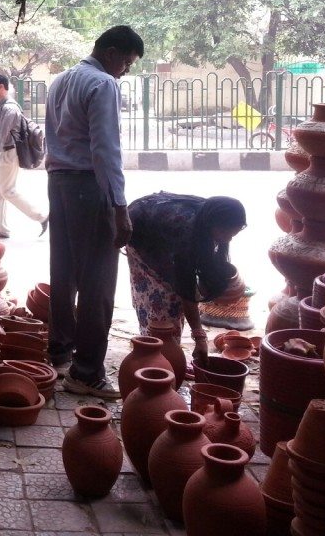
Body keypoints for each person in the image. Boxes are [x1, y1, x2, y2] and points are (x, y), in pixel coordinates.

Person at [45, 25, 144, 398]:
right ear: (114, 53)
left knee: (64, 270)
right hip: (89, 187)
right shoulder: (103, 84)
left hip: (59, 183)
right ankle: (86, 373)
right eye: (128, 63)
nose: (126, 71)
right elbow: (106, 151)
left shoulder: (61, 80)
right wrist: (120, 207)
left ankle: (59, 351)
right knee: (98, 284)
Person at [126, 193, 248, 364]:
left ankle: (166, 356)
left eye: (233, 235)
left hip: (162, 230)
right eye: (225, 233)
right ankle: (154, 355)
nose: (228, 239)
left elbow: (199, 269)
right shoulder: (186, 230)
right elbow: (186, 288)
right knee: (162, 301)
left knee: (174, 301)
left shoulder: (209, 219)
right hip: (140, 231)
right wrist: (199, 337)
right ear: (214, 224)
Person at [0, 73, 48, 238]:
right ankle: (1, 228)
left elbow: (1, 136)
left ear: (1, 87)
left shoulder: (10, 108)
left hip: (9, 153)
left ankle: (42, 217)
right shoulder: (4, 106)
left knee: (7, 191)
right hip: (5, 153)